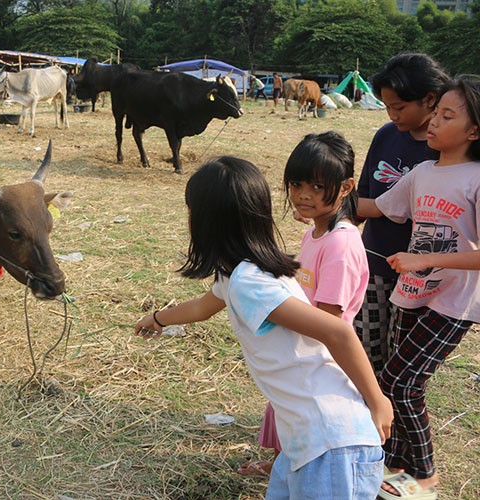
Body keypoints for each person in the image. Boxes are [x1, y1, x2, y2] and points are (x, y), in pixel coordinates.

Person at [135, 156, 392, 499]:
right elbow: (201, 307)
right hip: (304, 441)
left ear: (206, 221)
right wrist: (156, 319)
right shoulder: (241, 272)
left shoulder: (250, 283)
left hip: (332, 444)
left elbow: (338, 331)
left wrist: (378, 402)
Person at [358, 75, 480, 500]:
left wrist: (426, 258)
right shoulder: (425, 171)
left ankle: (424, 474)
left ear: (474, 131)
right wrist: (322, 200)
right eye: (437, 112)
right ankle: (393, 463)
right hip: (413, 292)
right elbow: (378, 206)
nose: (433, 122)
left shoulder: (477, 178)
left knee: (399, 382)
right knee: (403, 381)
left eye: (447, 116)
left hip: (456, 301)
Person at [240, 131, 370, 478]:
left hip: (318, 356)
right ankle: (283, 466)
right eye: (297, 184)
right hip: (304, 349)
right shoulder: (317, 232)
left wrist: (279, 315)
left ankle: (292, 471)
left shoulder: (341, 246)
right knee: (292, 420)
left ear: (345, 187)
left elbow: (330, 320)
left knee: (305, 424)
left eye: (316, 186)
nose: (302, 195)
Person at [354, 53, 449, 379]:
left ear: (430, 99)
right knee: (365, 352)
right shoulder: (386, 135)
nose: (392, 115)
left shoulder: (450, 151)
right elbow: (364, 198)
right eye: (387, 107)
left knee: (401, 369)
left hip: (422, 275)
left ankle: (394, 424)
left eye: (399, 108)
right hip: (375, 265)